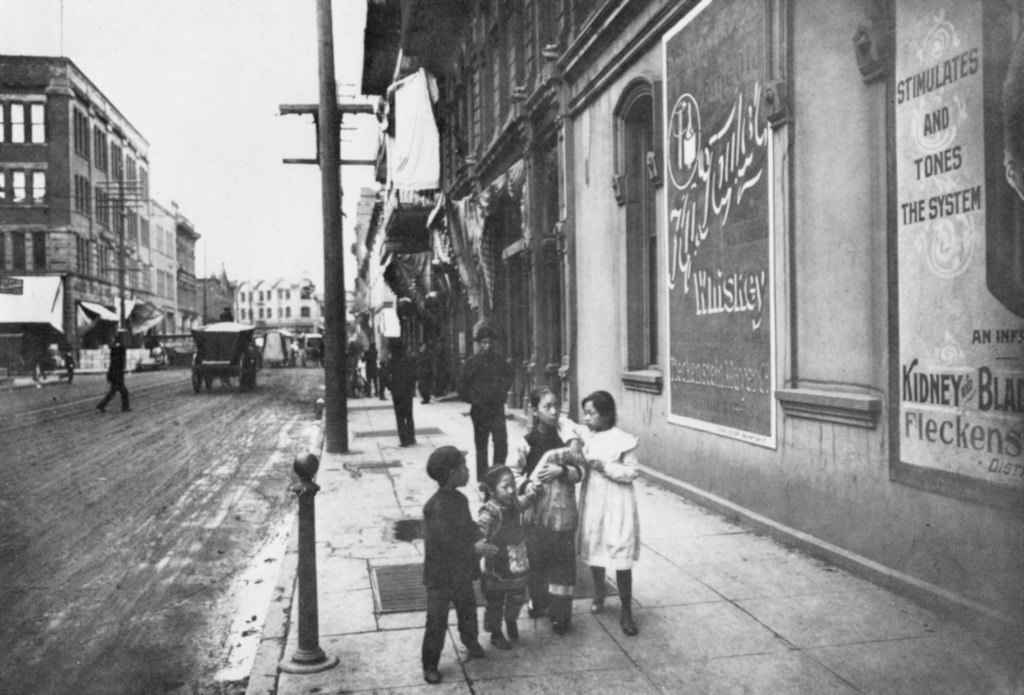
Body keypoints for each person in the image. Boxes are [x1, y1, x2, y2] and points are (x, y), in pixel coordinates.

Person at [510, 386, 585, 634]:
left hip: (564, 512)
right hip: (536, 513)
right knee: (537, 559)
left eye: (556, 406)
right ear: (534, 410)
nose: (554, 412)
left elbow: (580, 472)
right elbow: (512, 473)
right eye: (547, 407)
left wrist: (562, 471)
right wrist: (527, 486)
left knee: (563, 562)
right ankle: (538, 601)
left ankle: (560, 615)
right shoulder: (527, 442)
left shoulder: (567, 440)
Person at [421, 446, 493, 685]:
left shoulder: (459, 499)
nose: (469, 470)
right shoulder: (438, 506)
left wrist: (478, 536)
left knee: (467, 610)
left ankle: (470, 641)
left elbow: (468, 525)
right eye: (464, 466)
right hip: (440, 576)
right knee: (436, 621)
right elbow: (445, 545)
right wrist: (474, 549)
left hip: (460, 572)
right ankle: (430, 663)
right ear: (453, 473)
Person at [577, 390, 640, 636]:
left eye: (591, 413)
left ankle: (626, 609)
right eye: (586, 413)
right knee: (596, 544)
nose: (587, 418)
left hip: (617, 500)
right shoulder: (588, 436)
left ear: (607, 414)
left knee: (620, 546)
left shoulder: (622, 440)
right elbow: (569, 427)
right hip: (594, 497)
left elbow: (632, 472)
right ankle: (599, 590)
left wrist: (606, 467)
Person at [476, 464, 541, 650]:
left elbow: (522, 502)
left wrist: (532, 494)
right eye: (505, 487)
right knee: (495, 601)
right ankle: (496, 633)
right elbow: (480, 532)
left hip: (518, 560)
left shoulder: (512, 504)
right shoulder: (489, 511)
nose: (511, 490)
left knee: (518, 596)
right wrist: (479, 543)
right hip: (498, 565)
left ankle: (511, 620)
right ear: (491, 490)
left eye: (513, 484)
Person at [459, 323, 513, 481]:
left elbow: (509, 376)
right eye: (483, 343)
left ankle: (498, 477)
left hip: (496, 409)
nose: (487, 346)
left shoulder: (500, 361)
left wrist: (502, 392)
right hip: (479, 411)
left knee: (501, 444)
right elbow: (462, 385)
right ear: (479, 344)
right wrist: (473, 398)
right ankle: (484, 481)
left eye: (489, 342)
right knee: (481, 447)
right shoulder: (471, 363)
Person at [388, 340, 417, 446]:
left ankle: (403, 440)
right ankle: (411, 437)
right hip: (408, 391)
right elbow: (414, 375)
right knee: (409, 415)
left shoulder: (392, 361)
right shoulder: (409, 360)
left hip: (397, 392)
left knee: (399, 416)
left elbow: (388, 376)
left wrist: (390, 387)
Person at [96, 333, 131, 413]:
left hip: (114, 375)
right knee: (123, 392)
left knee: (113, 392)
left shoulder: (115, 350)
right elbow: (119, 364)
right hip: (117, 376)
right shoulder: (120, 351)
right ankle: (124, 407)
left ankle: (101, 405)